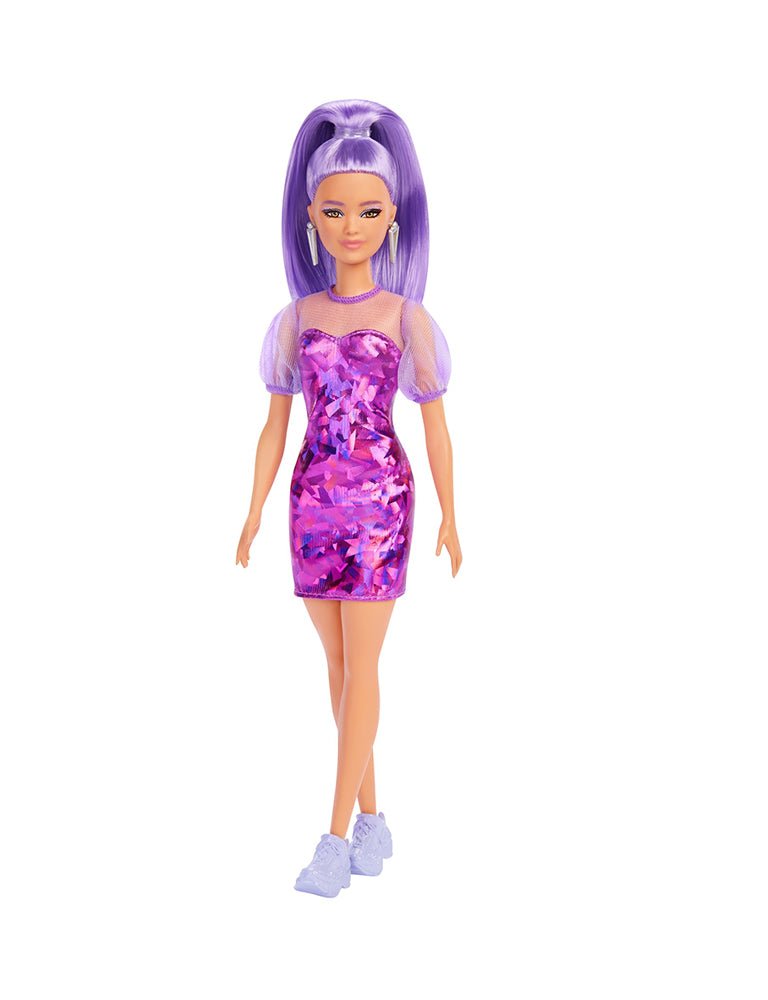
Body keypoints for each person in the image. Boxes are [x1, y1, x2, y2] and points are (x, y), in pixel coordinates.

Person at [236, 99, 463, 897]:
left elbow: (436, 428)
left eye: (368, 211)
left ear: (393, 216)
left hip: (379, 505)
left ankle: (334, 838)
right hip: (311, 504)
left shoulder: (407, 319)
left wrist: (451, 515)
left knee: (361, 664)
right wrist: (254, 509)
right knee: (336, 666)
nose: (352, 226)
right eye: (334, 211)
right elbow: (274, 426)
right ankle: (374, 821)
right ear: (311, 217)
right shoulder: (295, 319)